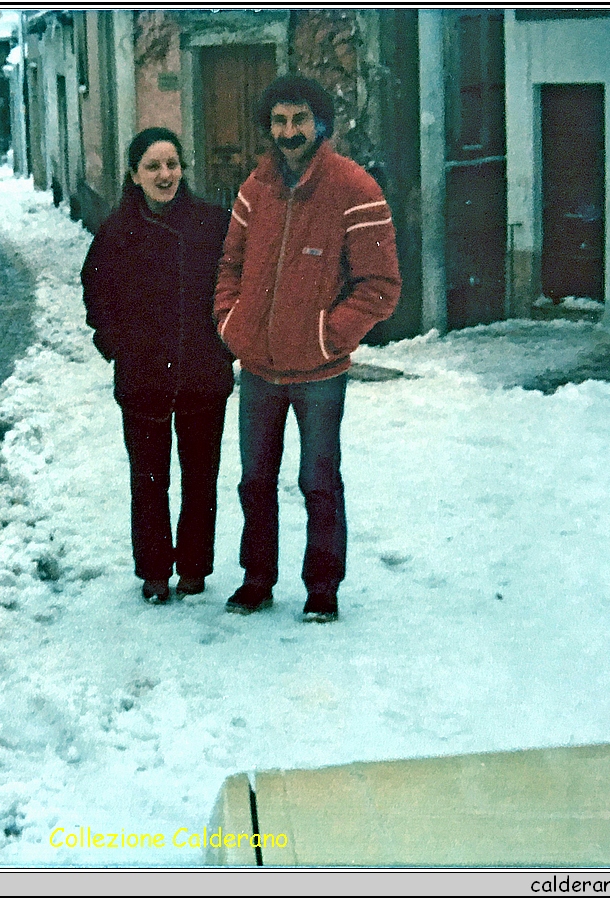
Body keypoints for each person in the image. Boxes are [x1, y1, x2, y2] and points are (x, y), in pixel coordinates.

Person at [214, 75, 401, 622]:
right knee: (254, 480)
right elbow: (230, 266)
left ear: (320, 124)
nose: (289, 132)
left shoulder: (356, 189)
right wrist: (233, 323)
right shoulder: (255, 188)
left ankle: (323, 586)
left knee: (318, 479)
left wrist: (327, 336)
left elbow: (380, 287)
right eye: (279, 121)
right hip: (259, 371)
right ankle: (257, 578)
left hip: (319, 372)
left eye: (299, 120)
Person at [82, 128, 234, 605]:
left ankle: (192, 567)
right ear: (134, 175)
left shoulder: (212, 223)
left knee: (200, 476)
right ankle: (153, 569)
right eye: (153, 166)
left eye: (172, 164)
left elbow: (237, 284)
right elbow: (96, 293)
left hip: (202, 373)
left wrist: (226, 344)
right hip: (143, 377)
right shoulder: (116, 232)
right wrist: (116, 347)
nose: (165, 175)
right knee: (149, 479)